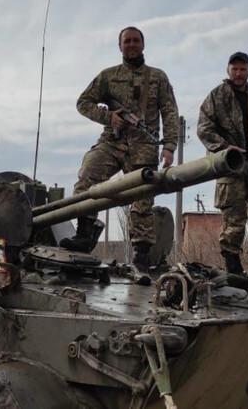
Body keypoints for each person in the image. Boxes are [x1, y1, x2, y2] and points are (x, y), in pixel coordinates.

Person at [61, 26, 179, 286]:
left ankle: (140, 257)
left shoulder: (157, 77)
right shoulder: (108, 76)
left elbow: (170, 112)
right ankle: (84, 235)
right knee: (87, 176)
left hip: (144, 146)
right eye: (127, 41)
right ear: (120, 46)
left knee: (142, 200)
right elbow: (83, 102)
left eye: (136, 41)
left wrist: (169, 146)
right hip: (112, 141)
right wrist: (109, 117)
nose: (131, 45)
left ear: (143, 44)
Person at [197, 52, 248, 277]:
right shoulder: (217, 96)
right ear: (228, 70)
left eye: (243, 69)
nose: (238, 73)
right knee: (233, 222)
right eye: (235, 69)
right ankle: (233, 270)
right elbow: (203, 129)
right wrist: (226, 148)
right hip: (230, 168)